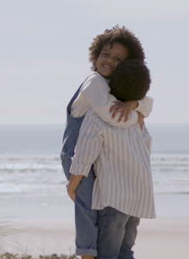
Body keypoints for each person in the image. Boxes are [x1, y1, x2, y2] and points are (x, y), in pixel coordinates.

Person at [60, 26, 153, 259]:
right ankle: (87, 254)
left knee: (94, 207)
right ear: (95, 55)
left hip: (92, 152)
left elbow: (147, 103)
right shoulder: (94, 82)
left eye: (118, 59)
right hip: (75, 152)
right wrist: (136, 115)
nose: (109, 61)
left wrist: (133, 104)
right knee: (88, 209)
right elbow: (112, 115)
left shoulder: (113, 88)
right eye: (106, 54)